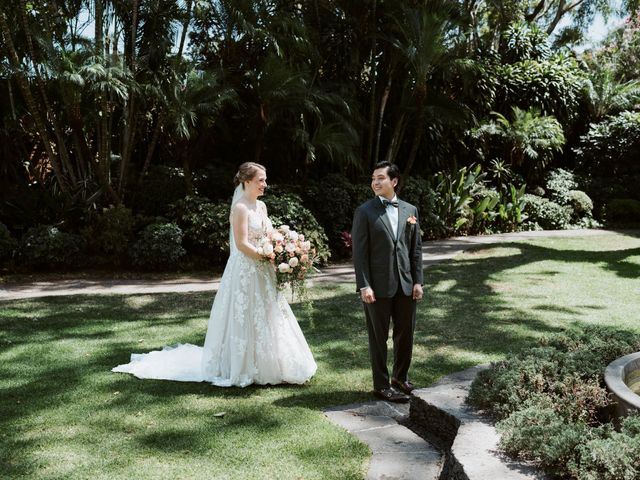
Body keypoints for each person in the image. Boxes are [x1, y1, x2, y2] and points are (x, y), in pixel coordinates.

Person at [112, 162, 317, 387]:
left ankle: (274, 363)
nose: (265, 185)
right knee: (245, 314)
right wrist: (267, 256)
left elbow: (267, 235)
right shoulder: (240, 208)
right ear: (246, 181)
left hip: (263, 270)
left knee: (268, 314)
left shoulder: (262, 206)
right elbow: (241, 244)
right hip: (246, 269)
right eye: (261, 180)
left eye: (265, 180)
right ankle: (243, 365)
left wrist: (282, 248)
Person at [351, 161, 423, 403]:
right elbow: (359, 254)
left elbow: (415, 250)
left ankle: (400, 378)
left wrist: (417, 281)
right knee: (378, 338)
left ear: (394, 181)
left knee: (406, 334)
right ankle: (381, 384)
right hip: (377, 287)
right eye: (373, 178)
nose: (375, 182)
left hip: (405, 284)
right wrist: (364, 285)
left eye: (380, 178)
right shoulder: (365, 211)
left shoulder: (410, 210)